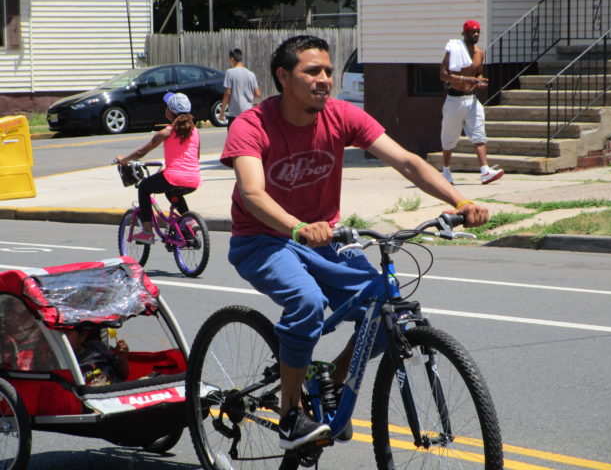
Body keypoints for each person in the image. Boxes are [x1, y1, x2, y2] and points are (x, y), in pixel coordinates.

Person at [220, 35, 489, 450]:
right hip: (264, 240)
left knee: (385, 311)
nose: (324, 79)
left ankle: (333, 382)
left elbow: (406, 160)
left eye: (328, 71)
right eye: (312, 71)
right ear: (283, 77)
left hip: (324, 241)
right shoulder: (252, 124)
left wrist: (461, 199)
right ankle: (292, 414)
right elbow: (253, 193)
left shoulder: (342, 115)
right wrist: (296, 227)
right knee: (307, 303)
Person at [115, 92, 201, 244]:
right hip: (194, 179)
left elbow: (141, 152)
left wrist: (124, 160)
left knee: (144, 187)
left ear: (170, 112)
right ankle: (189, 222)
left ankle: (147, 232)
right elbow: (196, 157)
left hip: (174, 176)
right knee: (172, 193)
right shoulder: (195, 132)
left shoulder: (166, 132)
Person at [439, 20, 504, 185]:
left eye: (477, 32)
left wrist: (480, 81)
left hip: (472, 100)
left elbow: (479, 73)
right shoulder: (453, 50)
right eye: (472, 32)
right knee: (449, 138)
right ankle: (446, 171)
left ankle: (485, 170)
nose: (475, 35)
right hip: (454, 100)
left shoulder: (479, 53)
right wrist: (464, 78)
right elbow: (443, 75)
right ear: (464, 33)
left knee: (479, 134)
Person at [218, 48, 261, 129]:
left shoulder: (230, 72)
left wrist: (222, 111)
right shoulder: (251, 74)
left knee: (234, 140)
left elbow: (227, 93)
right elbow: (257, 93)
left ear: (232, 59)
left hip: (235, 114)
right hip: (248, 114)